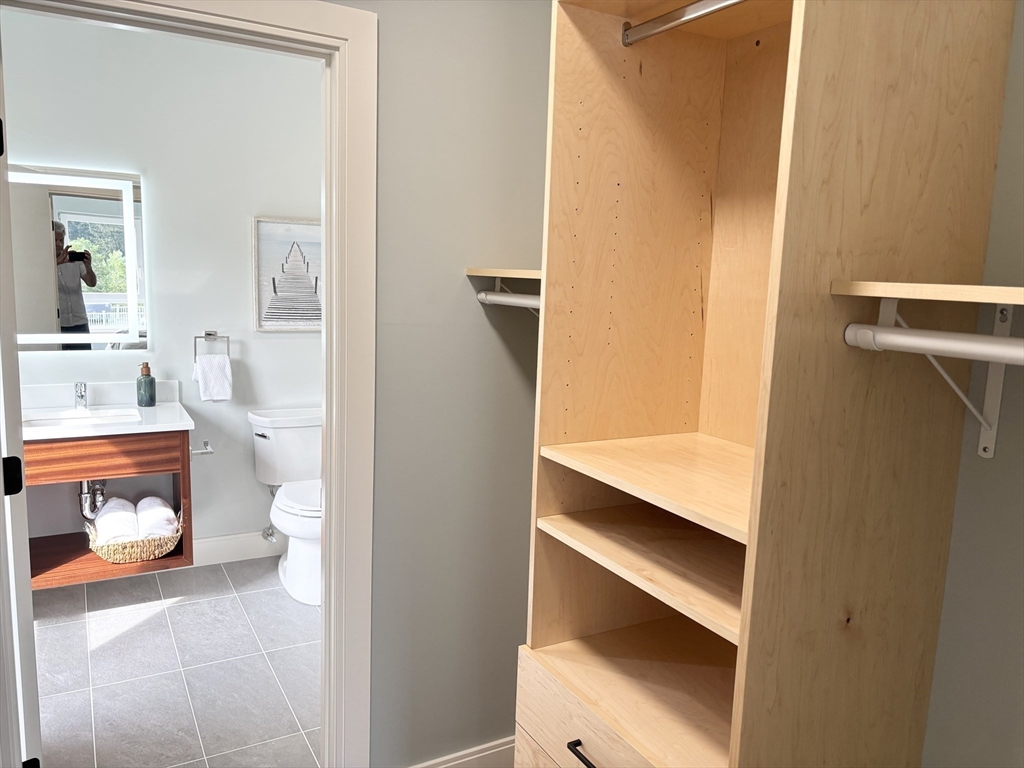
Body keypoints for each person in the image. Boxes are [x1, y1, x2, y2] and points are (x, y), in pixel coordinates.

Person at [53, 220, 97, 351]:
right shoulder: (44, 264)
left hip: (79, 322)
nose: (59, 244)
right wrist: (55, 264)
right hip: (57, 325)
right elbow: (37, 284)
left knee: (85, 363)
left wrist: (88, 267)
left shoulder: (75, 262)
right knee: (60, 364)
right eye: (55, 240)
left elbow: (91, 283)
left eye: (61, 240)